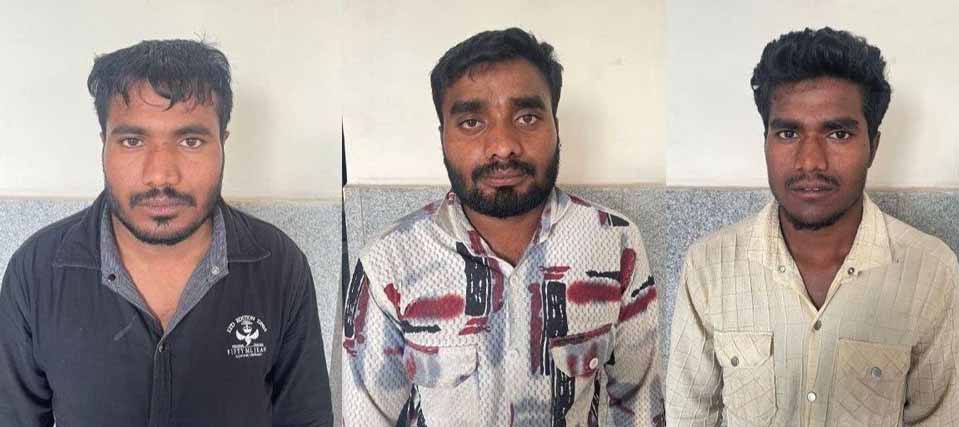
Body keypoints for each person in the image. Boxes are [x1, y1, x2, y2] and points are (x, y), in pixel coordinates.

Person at [0, 39, 332, 426]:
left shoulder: (280, 266)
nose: (160, 175)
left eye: (190, 141)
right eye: (132, 141)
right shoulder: (36, 272)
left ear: (222, 143)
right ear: (104, 144)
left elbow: (305, 418)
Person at [341, 28, 663, 426]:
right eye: (472, 122)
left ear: (555, 125)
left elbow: (642, 405)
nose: (503, 146)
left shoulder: (617, 243)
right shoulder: (388, 261)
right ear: (442, 137)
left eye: (527, 117)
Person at [665, 27, 958, 425]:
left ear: (873, 146)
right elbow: (689, 416)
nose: (810, 162)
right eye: (788, 133)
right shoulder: (709, 265)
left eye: (838, 133)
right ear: (766, 141)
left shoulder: (931, 270)